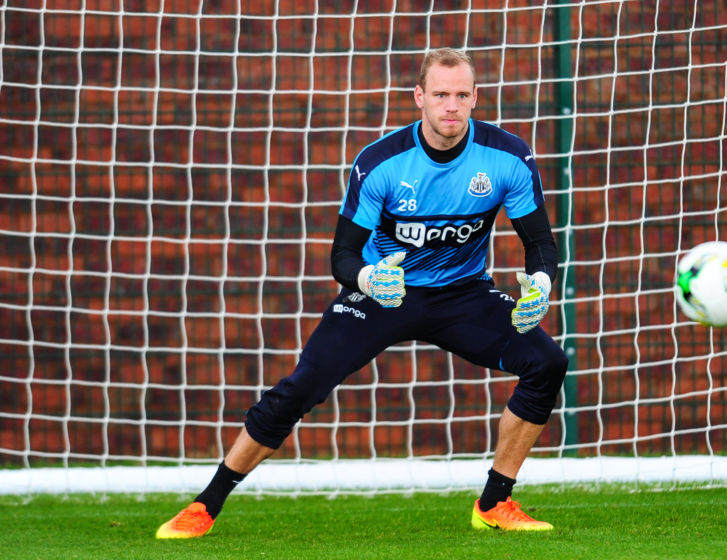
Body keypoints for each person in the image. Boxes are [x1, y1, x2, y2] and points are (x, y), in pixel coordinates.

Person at [156, 47, 568, 538]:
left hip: (463, 294)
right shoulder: (381, 164)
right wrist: (369, 279)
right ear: (420, 97)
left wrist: (541, 285)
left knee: (548, 362)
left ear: (476, 97)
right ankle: (206, 505)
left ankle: (493, 504)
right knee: (304, 385)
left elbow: (539, 242)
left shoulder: (507, 158)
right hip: (384, 295)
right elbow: (343, 257)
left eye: (461, 95)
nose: (451, 106)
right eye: (440, 94)